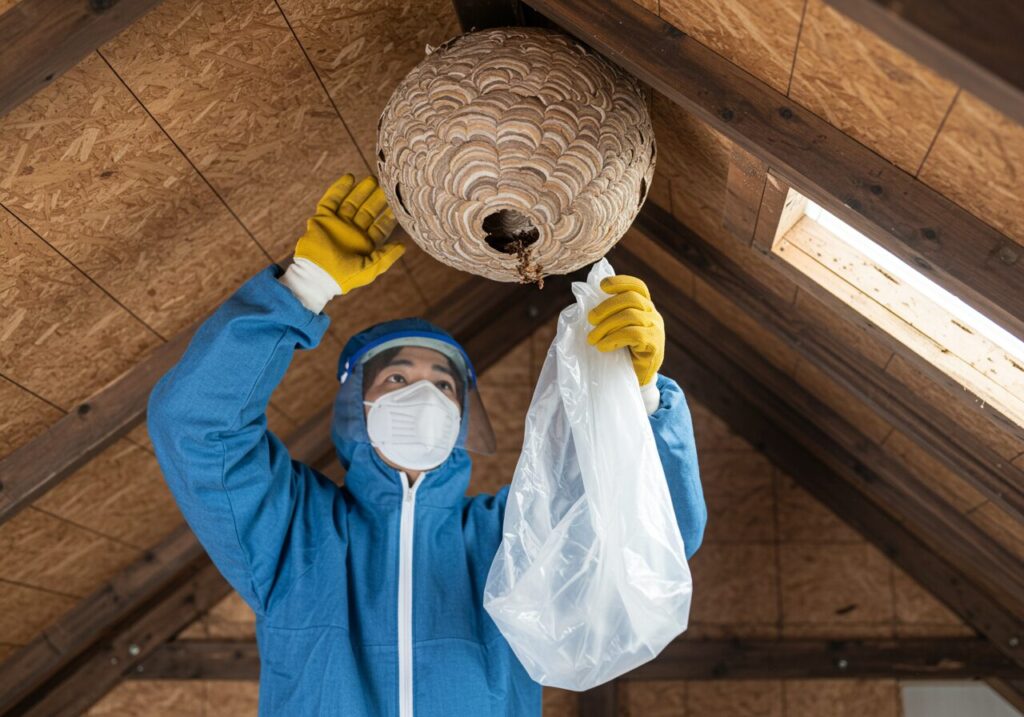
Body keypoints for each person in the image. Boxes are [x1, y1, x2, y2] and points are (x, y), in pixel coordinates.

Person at [148, 174, 706, 716]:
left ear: (462, 413)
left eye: (443, 384)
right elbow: (194, 424)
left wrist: (639, 399)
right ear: (354, 409)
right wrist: (305, 285)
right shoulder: (294, 534)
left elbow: (654, 535)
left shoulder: (509, 537)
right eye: (396, 379)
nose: (423, 397)